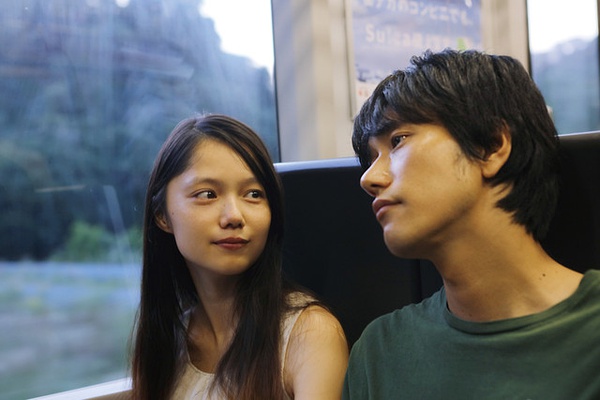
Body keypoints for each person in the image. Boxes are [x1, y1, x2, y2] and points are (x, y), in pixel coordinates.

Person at [343, 49, 600, 399]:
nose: (369, 179)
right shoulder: (380, 351)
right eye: (371, 158)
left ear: (491, 146)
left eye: (398, 141)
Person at [132, 114, 348, 400]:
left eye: (254, 194)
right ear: (162, 215)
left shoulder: (309, 334)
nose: (234, 216)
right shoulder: (170, 340)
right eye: (208, 194)